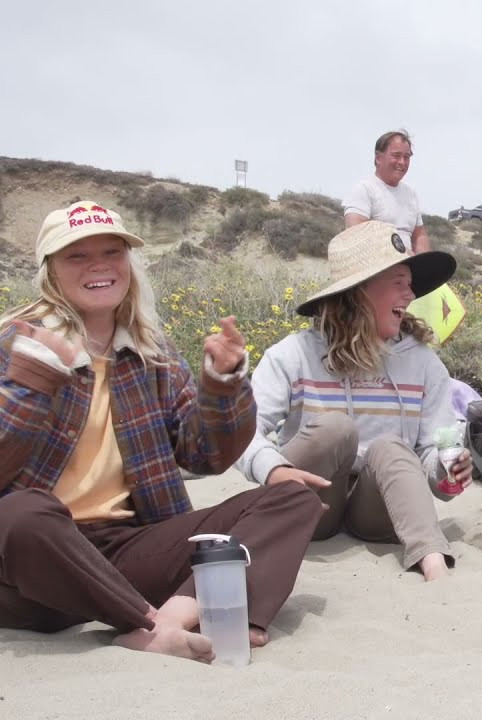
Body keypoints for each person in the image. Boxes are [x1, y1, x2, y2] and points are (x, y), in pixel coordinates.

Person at [0, 201, 322, 662]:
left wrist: (223, 382)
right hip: (33, 568)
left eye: (112, 252)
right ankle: (152, 626)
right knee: (22, 514)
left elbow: (205, 457)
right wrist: (33, 381)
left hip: (128, 548)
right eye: (76, 256)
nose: (98, 266)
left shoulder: (154, 354)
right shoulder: (16, 341)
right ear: (50, 270)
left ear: (128, 263)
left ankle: (170, 617)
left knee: (291, 496)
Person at [235, 221, 469, 581]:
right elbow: (241, 433)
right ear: (359, 291)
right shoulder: (294, 355)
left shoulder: (423, 364)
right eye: (399, 283)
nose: (410, 296)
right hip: (308, 503)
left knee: (391, 447)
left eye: (411, 285)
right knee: (335, 427)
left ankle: (434, 564)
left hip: (377, 510)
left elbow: (433, 453)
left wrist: (446, 470)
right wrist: (273, 469)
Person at [343, 130, 430, 254]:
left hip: (407, 267)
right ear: (378, 158)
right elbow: (356, 235)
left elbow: (419, 236)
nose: (402, 162)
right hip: (376, 267)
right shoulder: (364, 190)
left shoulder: (410, 194)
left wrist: (423, 264)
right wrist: (403, 254)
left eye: (406, 157)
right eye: (396, 156)